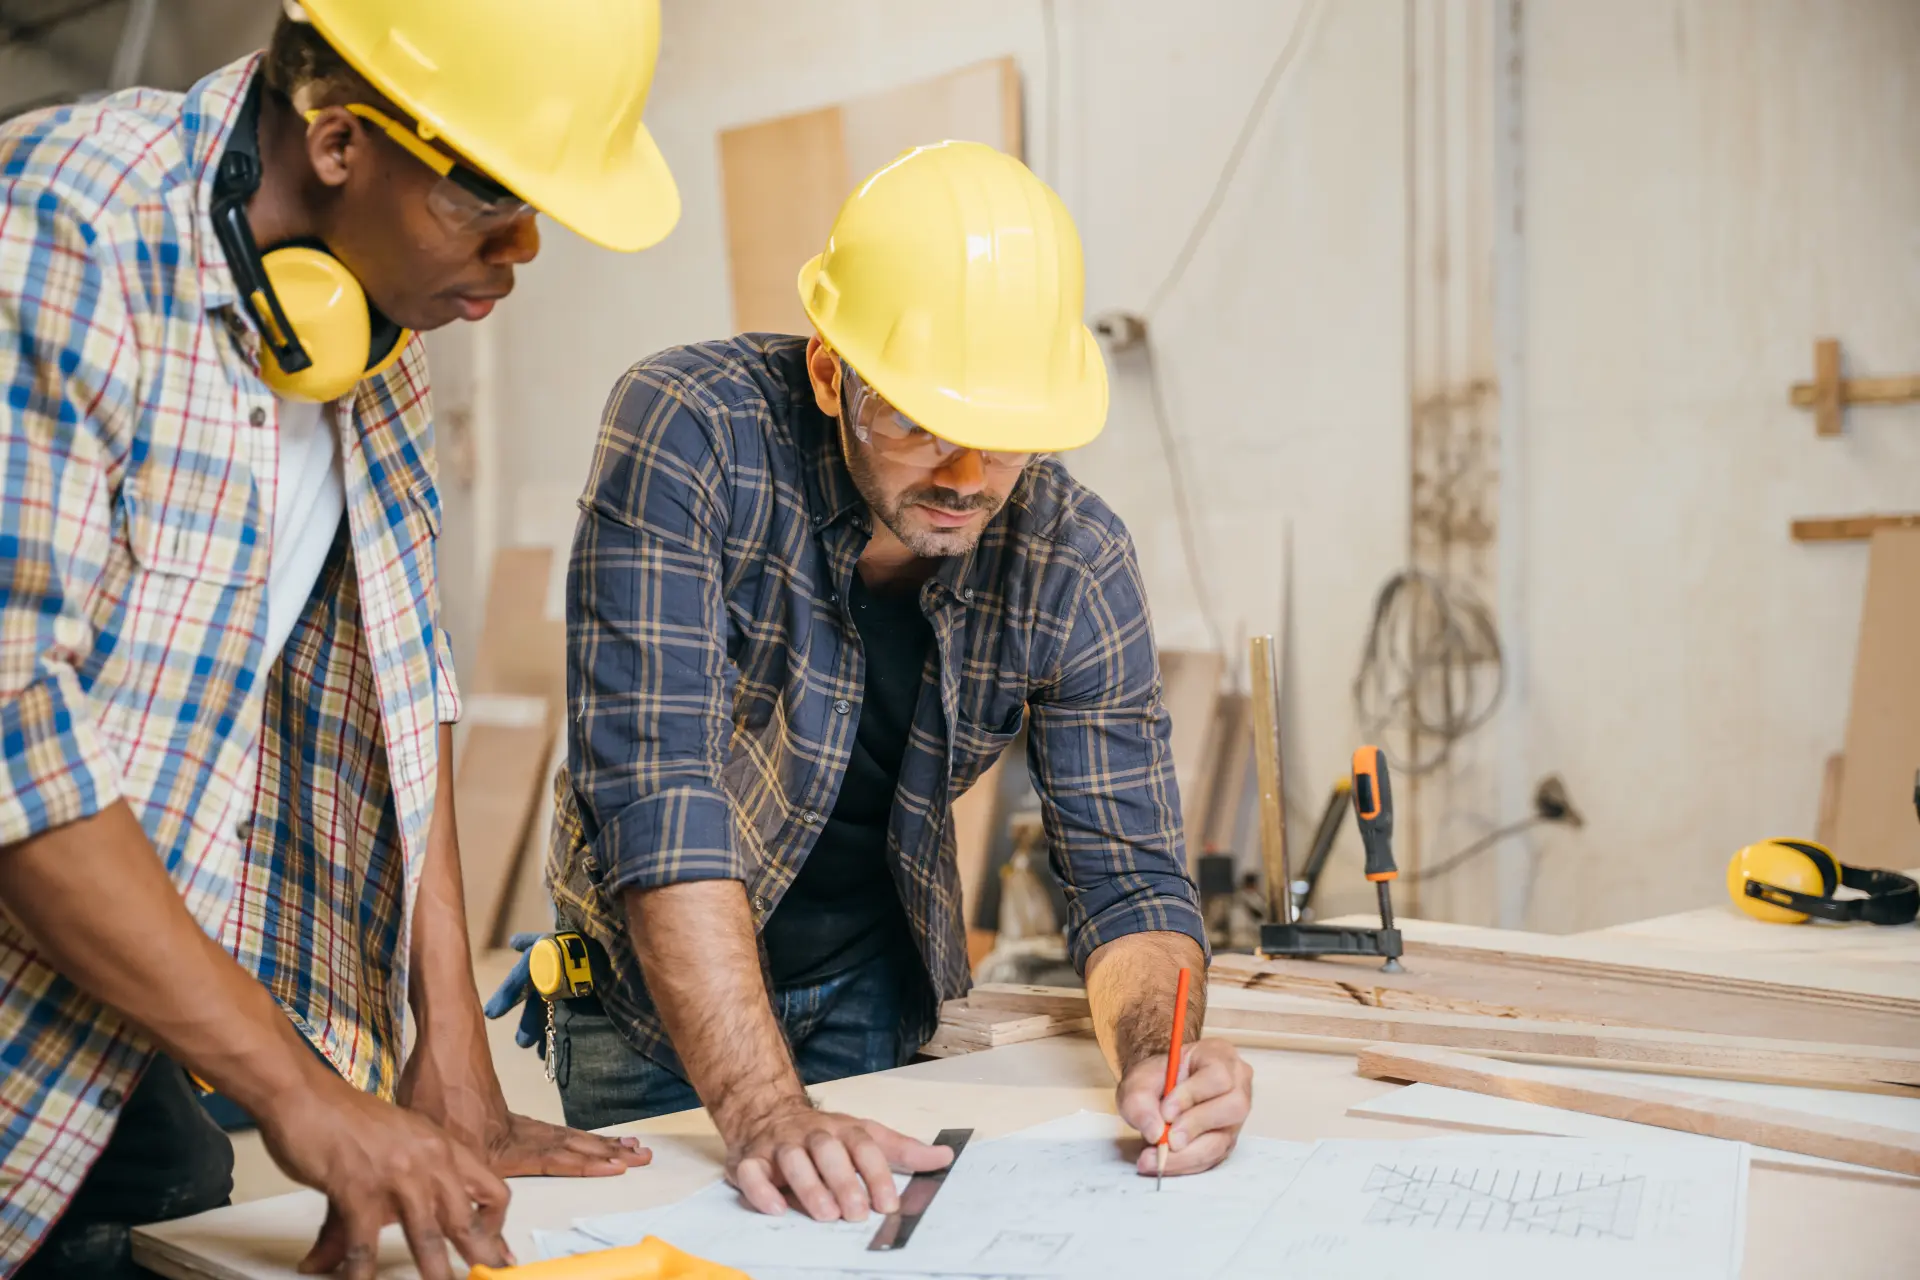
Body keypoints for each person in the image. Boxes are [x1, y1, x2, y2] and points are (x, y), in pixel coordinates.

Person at [0, 3, 679, 1276]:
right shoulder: (63, 232)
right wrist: (304, 1094)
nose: (521, 254)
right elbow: (14, 746)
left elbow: (401, 674)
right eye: (493, 204)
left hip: (121, 1002)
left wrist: (453, 1052)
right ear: (336, 140)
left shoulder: (372, 333)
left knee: (178, 1217)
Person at [490, 141, 1255, 1225]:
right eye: (917, 420)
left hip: (873, 987)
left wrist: (1162, 1057)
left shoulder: (1074, 557)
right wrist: (761, 1104)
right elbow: (659, 801)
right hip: (657, 1009)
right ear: (827, 369)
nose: (961, 477)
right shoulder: (693, 432)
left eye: (1001, 442)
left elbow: (1129, 882)